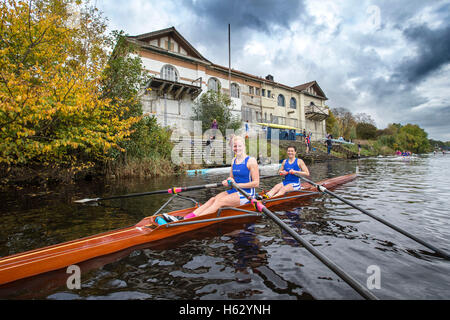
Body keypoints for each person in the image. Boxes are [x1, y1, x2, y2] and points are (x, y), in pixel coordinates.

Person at [184, 135, 259, 219]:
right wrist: (228, 181)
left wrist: (237, 185)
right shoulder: (233, 161)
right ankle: (187, 218)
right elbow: (231, 178)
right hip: (235, 190)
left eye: (239, 146)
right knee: (213, 199)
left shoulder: (251, 161)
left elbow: (256, 183)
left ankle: (195, 220)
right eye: (235, 146)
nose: (237, 148)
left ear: (244, 146)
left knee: (219, 202)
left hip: (247, 194)